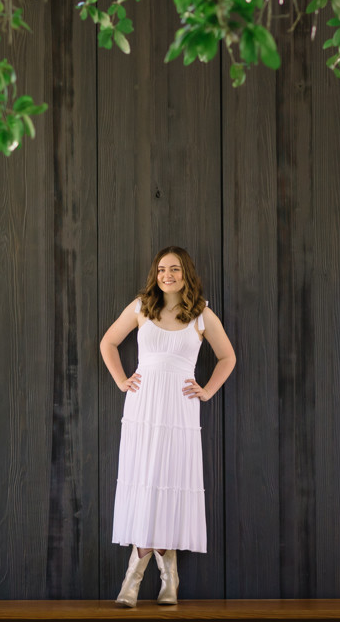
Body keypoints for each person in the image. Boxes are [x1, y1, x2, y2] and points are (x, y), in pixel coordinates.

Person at [99, 245, 237, 607]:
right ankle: (166, 575)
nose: (167, 275)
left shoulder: (201, 314)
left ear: (186, 274)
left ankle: (138, 577)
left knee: (169, 484)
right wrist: (121, 380)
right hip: (143, 408)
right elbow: (108, 342)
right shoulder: (141, 307)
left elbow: (227, 357)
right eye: (161, 269)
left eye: (174, 269)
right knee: (146, 483)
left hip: (179, 410)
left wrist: (207, 390)